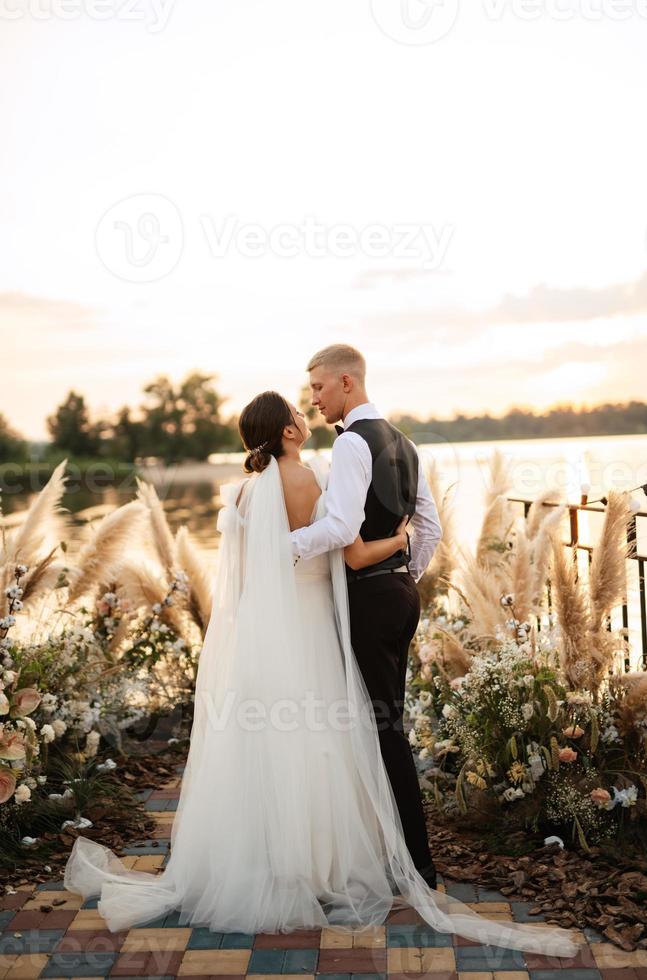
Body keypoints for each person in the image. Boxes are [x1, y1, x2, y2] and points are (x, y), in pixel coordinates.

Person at [63, 388, 581, 956]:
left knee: (268, 737)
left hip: (265, 630)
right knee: (324, 736)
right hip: (311, 621)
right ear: (286, 432)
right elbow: (347, 550)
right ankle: (322, 863)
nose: (304, 415)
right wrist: (404, 540)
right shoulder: (308, 480)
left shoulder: (240, 493)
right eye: (296, 413)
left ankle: (260, 859)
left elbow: (246, 575)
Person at [290, 344, 441, 887]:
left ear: (347, 383)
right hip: (400, 595)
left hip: (371, 598)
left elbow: (339, 528)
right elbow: (432, 528)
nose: (313, 399)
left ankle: (417, 865)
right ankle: (392, 850)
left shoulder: (354, 442)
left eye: (319, 388)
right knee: (386, 724)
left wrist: (279, 547)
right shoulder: (403, 440)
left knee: (384, 729)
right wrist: (406, 576)